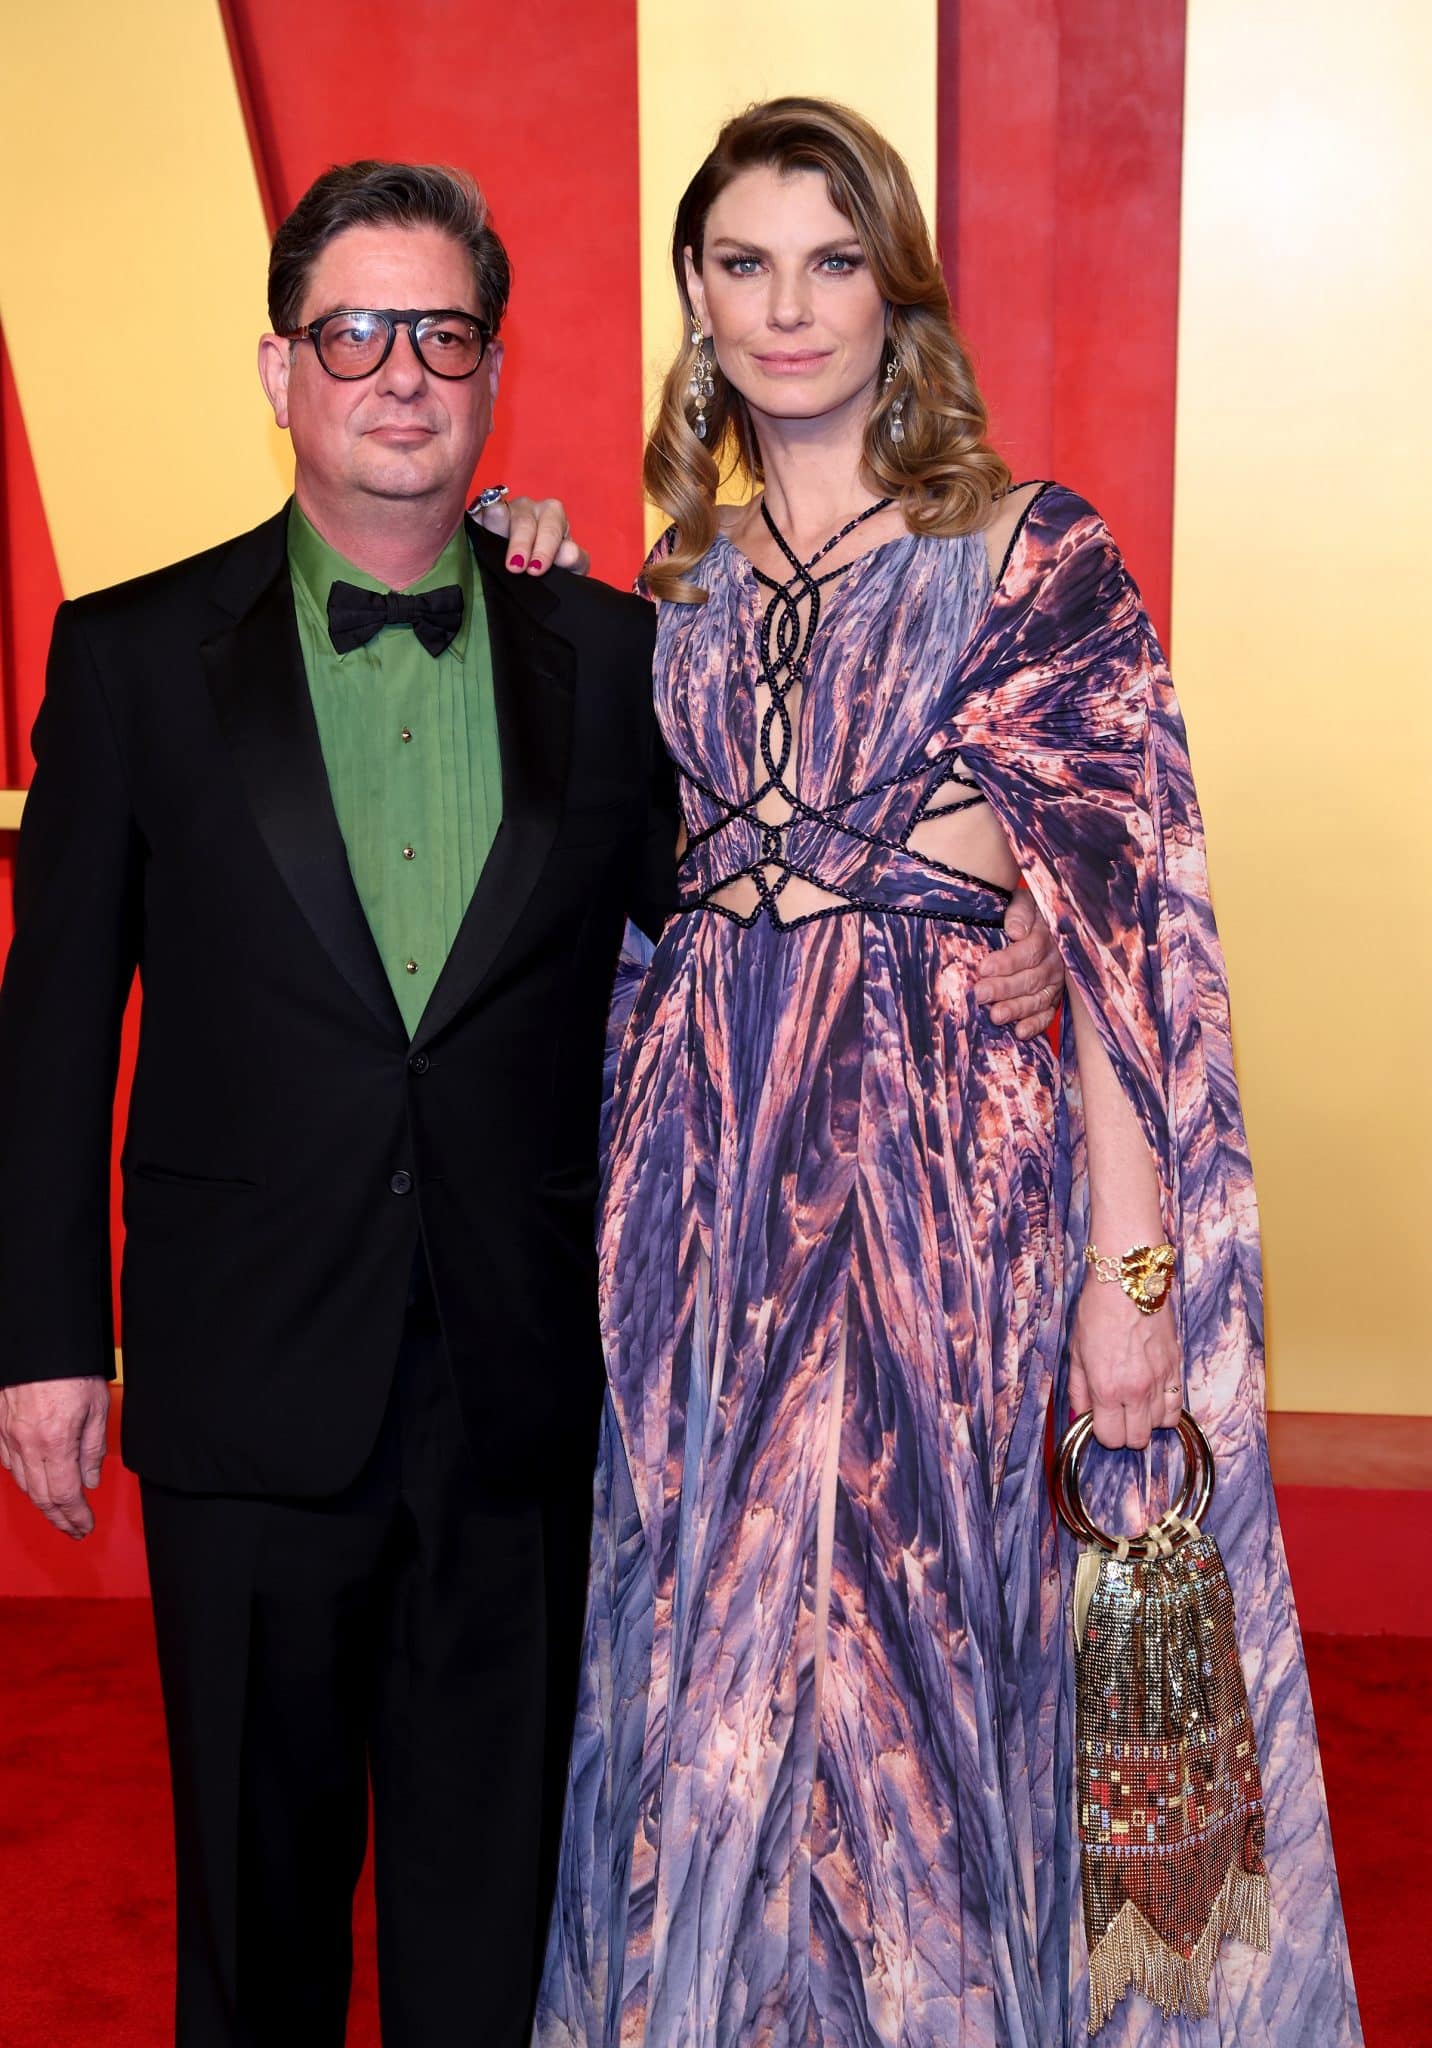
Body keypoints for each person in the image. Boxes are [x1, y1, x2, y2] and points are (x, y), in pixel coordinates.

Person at [0, 157, 1057, 2045]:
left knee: (496, 1944)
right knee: (250, 1932)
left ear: (493, 371)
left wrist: (1016, 921)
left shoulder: (614, 653)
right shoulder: (132, 655)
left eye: (443, 334)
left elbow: (754, 928)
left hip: (527, 1393)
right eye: (353, 334)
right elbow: (53, 1026)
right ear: (278, 368)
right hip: (249, 1389)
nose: (400, 373)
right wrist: (46, 1344)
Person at [535, 99, 1362, 2046]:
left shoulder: (1027, 555)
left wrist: (1129, 1284)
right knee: (712, 1664)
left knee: (907, 1657)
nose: (786, 307)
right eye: (744, 264)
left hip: (932, 1201)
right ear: (693, 295)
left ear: (895, 289)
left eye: (832, 261)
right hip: (704, 1210)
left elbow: (1123, 942)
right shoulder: (671, 579)